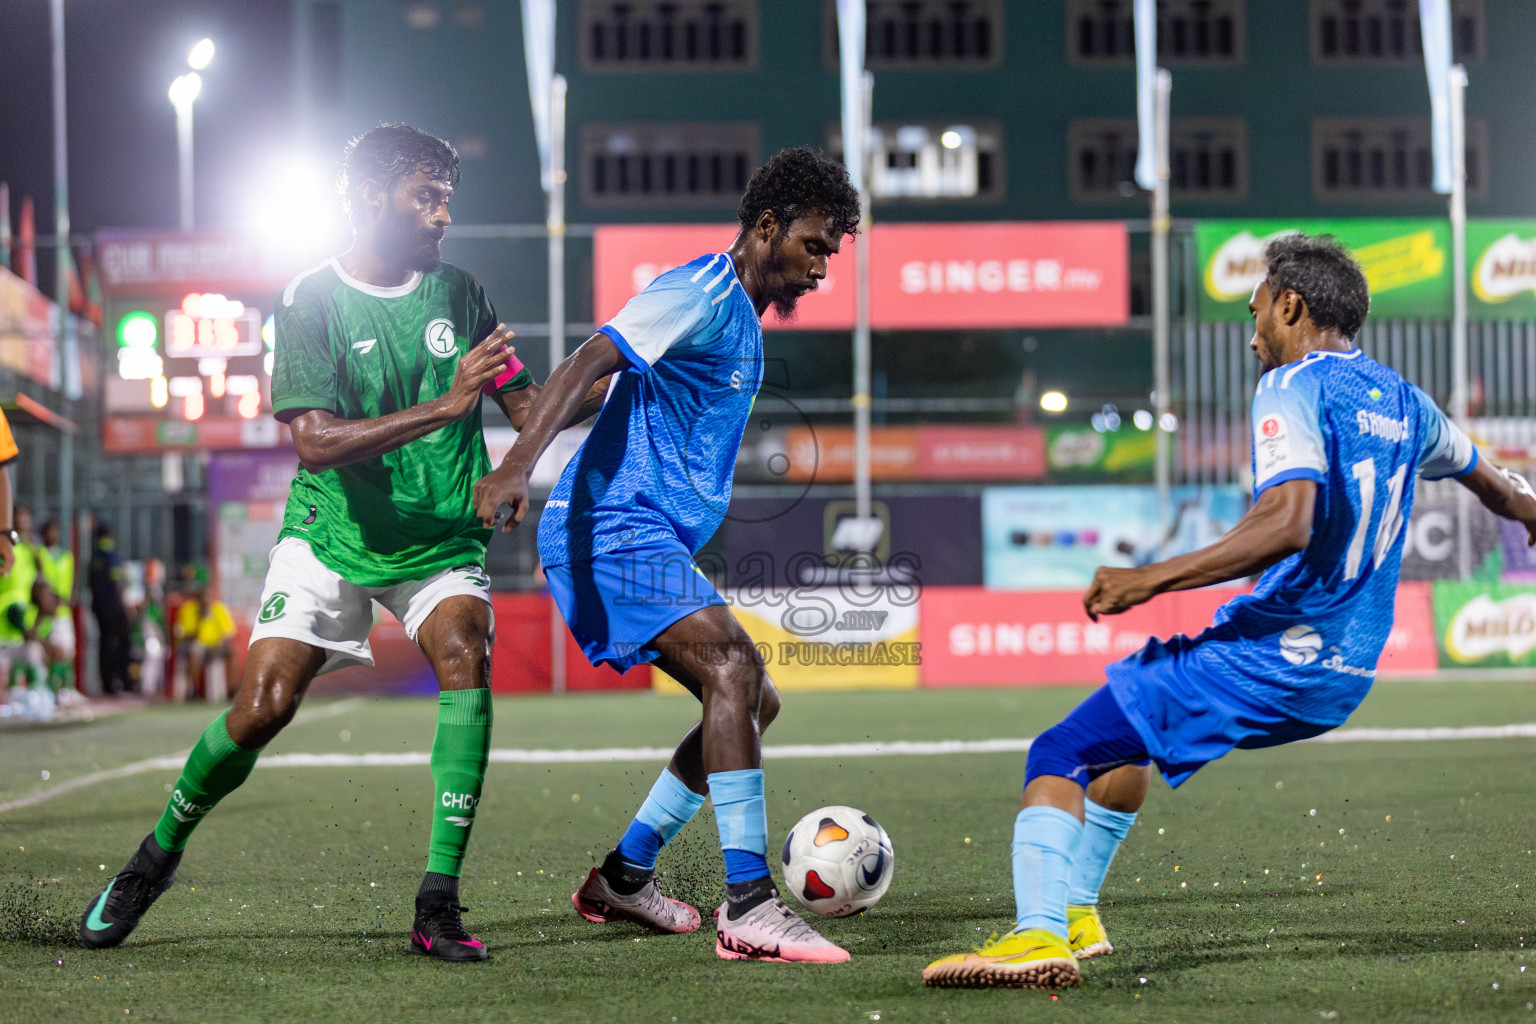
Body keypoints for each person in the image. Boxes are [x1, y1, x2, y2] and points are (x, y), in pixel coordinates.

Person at [921, 233, 1536, 990]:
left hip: (1277, 657)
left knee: (1058, 753)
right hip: (1346, 672)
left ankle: (1037, 934)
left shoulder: (1292, 383)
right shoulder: (1405, 401)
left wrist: (1150, 578)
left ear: (1291, 305)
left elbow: (1287, 522)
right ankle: (1077, 916)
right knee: (1128, 740)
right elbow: (1506, 490)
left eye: (1256, 313)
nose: (1252, 336)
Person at [80, 123, 604, 960]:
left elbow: (525, 405)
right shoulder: (309, 299)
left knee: (466, 650)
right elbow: (315, 442)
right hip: (331, 532)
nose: (442, 215)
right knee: (262, 710)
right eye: (425, 196)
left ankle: (437, 903)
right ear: (370, 194)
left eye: (446, 199)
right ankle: (153, 859)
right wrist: (444, 405)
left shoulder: (461, 294)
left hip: (438, 538)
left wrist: (615, 368)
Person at [473, 147, 861, 963]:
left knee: (754, 700)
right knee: (734, 671)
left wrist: (552, 417)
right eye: (815, 246)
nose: (822, 269)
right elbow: (591, 358)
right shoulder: (702, 290)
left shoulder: (738, 320)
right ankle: (751, 905)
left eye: (831, 253)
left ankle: (623, 875)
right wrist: (515, 465)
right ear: (767, 226)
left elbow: (606, 391)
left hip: (643, 531)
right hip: (610, 526)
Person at [170, 584, 237, 702]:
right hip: (195, 645)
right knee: (194, 652)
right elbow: (183, 634)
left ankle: (232, 689)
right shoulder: (189, 610)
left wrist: (216, 647)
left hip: (215, 646)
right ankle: (194, 691)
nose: (205, 600)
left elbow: (228, 633)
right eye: (202, 597)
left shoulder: (218, 609)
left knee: (233, 651)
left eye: (207, 597)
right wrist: (200, 619)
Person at [88, 521, 132, 696]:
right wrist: (125, 606)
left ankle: (107, 683)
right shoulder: (110, 553)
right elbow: (116, 582)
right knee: (122, 643)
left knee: (104, 644)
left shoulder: (94, 555)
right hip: (113, 606)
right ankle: (122, 680)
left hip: (99, 606)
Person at [38, 519, 76, 693]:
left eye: (55, 531)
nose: (53, 535)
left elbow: (72, 581)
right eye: (49, 531)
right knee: (49, 652)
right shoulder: (40, 555)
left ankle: (65, 690)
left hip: (63, 611)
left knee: (67, 652)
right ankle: (48, 690)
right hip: (45, 612)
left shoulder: (67, 557)